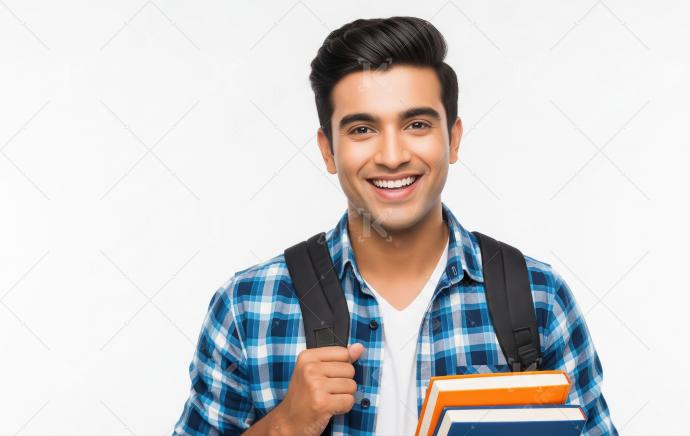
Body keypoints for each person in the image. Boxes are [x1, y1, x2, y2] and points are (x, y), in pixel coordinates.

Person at [173, 16, 618, 436]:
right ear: (328, 151)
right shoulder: (248, 306)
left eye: (417, 124)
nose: (391, 155)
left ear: (454, 139)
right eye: (363, 129)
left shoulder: (537, 297)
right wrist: (286, 423)